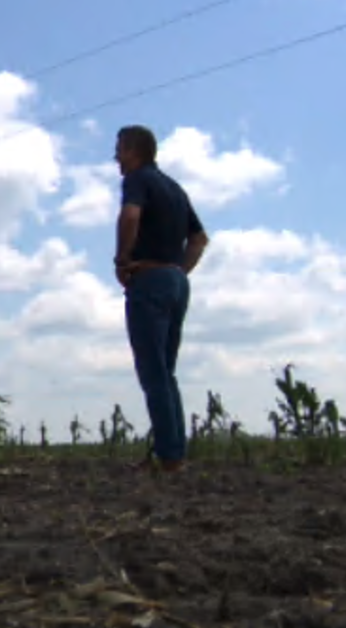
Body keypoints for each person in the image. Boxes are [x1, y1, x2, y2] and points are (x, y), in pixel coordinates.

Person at [111, 125, 209, 474]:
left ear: (135, 151)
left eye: (119, 149)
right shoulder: (175, 189)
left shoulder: (137, 180)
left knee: (153, 374)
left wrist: (122, 260)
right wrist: (178, 271)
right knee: (166, 374)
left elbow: (131, 215)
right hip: (176, 283)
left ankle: (171, 459)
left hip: (149, 281)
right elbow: (199, 238)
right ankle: (173, 452)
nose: (116, 157)